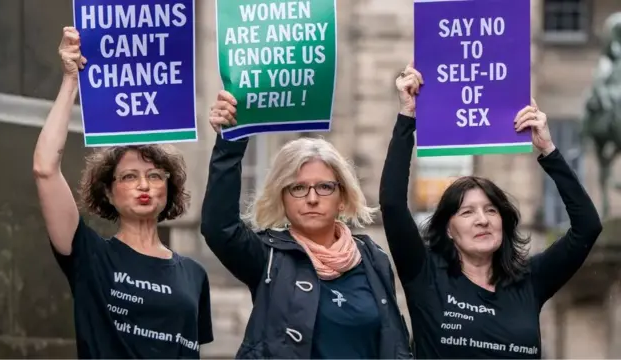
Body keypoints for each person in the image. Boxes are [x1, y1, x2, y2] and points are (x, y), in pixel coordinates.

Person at [379, 62, 603, 359]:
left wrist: (548, 150)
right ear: (449, 228)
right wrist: (407, 117)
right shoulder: (425, 273)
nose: (482, 220)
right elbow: (393, 204)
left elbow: (588, 226)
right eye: (467, 213)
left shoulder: (530, 279)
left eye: (491, 211)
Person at [33, 27, 213, 359]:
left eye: (155, 176)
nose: (144, 185)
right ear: (109, 193)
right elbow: (45, 169)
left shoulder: (194, 274)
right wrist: (70, 81)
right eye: (129, 176)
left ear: (168, 191)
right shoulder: (89, 257)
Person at [201, 90, 413, 359]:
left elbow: (392, 341)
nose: (312, 199)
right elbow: (219, 227)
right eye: (298, 188)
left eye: (324, 187)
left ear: (342, 197)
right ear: (282, 198)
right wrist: (229, 142)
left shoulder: (373, 258)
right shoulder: (268, 256)